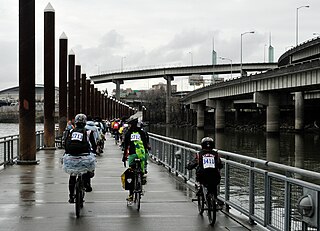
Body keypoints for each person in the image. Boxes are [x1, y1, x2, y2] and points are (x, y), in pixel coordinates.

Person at [64, 114, 97, 203]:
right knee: (87, 168)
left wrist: (67, 152)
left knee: (72, 175)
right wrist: (94, 152)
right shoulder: (88, 132)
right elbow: (93, 145)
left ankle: (71, 196)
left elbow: (65, 142)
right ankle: (86, 185)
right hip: (84, 155)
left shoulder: (70, 131)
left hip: (71, 156)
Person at [122, 115, 149, 202]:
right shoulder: (142, 133)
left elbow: (126, 147)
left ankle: (130, 195)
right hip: (142, 155)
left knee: (131, 173)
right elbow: (145, 145)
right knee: (141, 170)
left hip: (133, 155)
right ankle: (141, 177)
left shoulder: (128, 134)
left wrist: (124, 157)